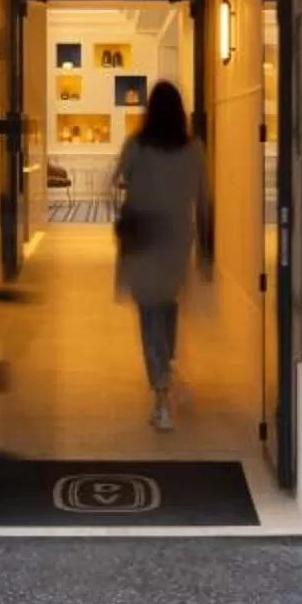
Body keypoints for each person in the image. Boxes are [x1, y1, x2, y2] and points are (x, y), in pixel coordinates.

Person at [111, 80, 212, 433]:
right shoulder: (195, 150)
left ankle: (160, 393)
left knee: (149, 314)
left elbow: (117, 180)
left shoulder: (137, 146)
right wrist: (207, 251)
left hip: (143, 238)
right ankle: (166, 367)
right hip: (176, 240)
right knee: (167, 306)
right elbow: (203, 202)